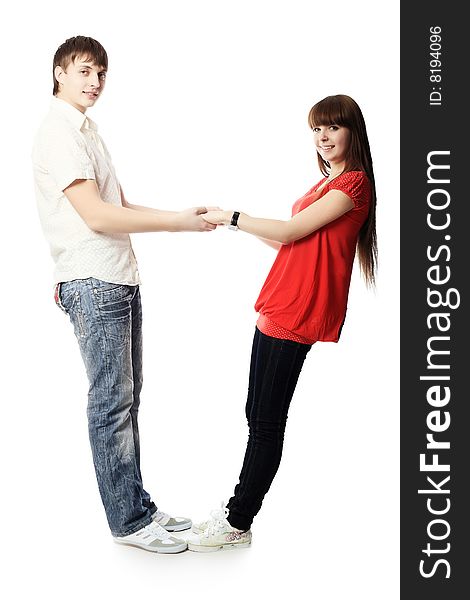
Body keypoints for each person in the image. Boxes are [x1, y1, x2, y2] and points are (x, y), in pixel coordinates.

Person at [32, 35, 217, 554]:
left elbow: (118, 202)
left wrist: (181, 215)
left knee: (127, 398)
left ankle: (137, 506)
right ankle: (129, 524)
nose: (95, 82)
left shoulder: (86, 130)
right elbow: (96, 216)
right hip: (93, 280)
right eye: (85, 71)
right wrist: (177, 224)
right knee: (111, 401)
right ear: (60, 72)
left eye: (101, 74)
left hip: (117, 275)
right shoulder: (58, 133)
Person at [187, 94, 377, 552]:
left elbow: (291, 232)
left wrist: (233, 215)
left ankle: (238, 520)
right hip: (278, 305)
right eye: (316, 129)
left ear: (353, 131)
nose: (324, 136)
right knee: (256, 414)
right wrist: (237, 227)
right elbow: (293, 245)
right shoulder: (324, 184)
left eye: (332, 127)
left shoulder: (352, 185)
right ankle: (235, 512)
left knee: (267, 423)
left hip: (300, 311)